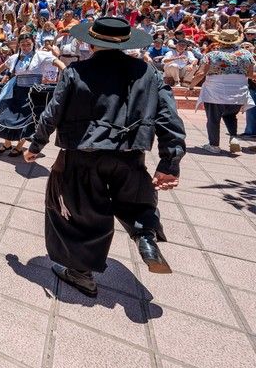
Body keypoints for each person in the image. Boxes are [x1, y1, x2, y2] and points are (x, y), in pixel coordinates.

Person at [24, 17, 186, 297]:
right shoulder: (148, 73)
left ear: (90, 42)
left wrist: (35, 145)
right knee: (136, 201)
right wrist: (169, 163)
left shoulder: (77, 71)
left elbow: (53, 112)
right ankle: (146, 237)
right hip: (130, 157)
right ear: (125, 42)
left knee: (78, 214)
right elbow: (169, 117)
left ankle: (81, 274)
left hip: (81, 158)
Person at [0, 33, 66, 156]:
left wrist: (66, 72)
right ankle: (7, 143)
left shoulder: (40, 55)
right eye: (23, 44)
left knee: (27, 120)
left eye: (28, 44)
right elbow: (3, 66)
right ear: (19, 45)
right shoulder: (15, 57)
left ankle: (19, 147)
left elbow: (56, 61)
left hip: (32, 93)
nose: (25, 47)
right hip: (16, 90)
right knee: (7, 115)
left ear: (33, 43)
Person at [188, 29, 255, 154]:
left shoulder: (212, 55)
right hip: (238, 93)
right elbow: (250, 75)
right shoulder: (246, 55)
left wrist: (191, 86)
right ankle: (233, 137)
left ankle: (214, 145)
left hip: (215, 93)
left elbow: (201, 73)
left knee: (213, 119)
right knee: (230, 116)